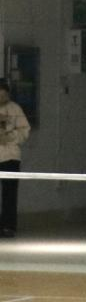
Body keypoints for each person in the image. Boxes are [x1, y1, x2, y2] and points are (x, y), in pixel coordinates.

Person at [0, 78, 31, 239]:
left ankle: (8, 226)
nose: (2, 98)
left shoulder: (15, 109)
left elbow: (25, 130)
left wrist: (10, 137)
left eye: (4, 95)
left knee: (9, 193)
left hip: (10, 155)